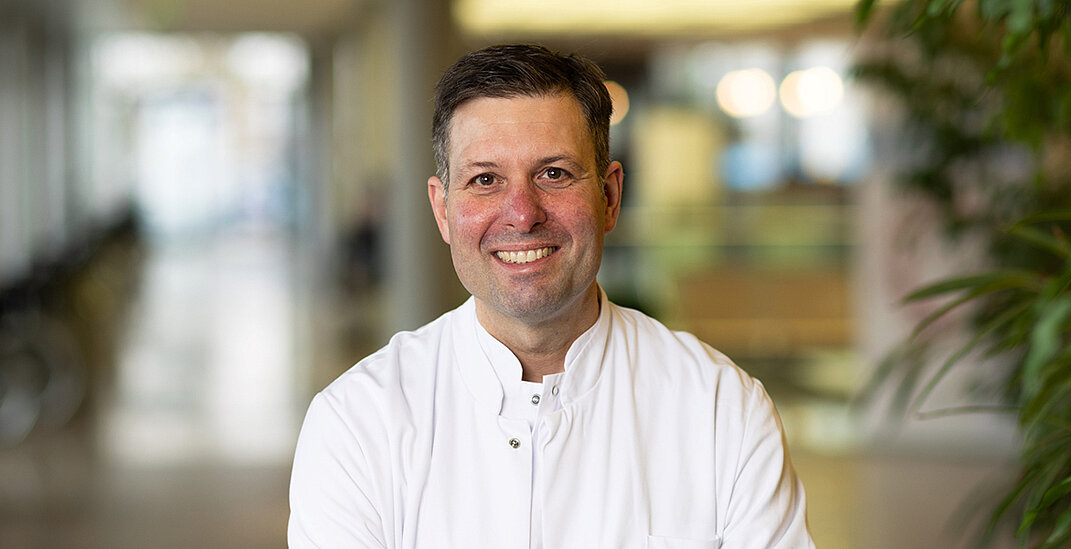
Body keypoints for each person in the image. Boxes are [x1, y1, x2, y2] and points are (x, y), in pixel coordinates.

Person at [288, 44, 815, 549]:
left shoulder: (722, 410)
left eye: (554, 174)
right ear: (443, 210)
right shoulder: (358, 422)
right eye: (485, 179)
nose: (523, 214)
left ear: (609, 197)